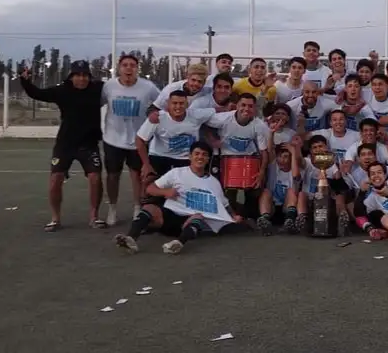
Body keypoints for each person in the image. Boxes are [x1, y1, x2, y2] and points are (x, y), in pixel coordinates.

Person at [113, 141, 242, 255]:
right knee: (149, 208)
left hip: (189, 221)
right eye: (197, 154)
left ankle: (178, 243)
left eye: (204, 155)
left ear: (208, 159)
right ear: (190, 156)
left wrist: (233, 216)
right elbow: (150, 189)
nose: (200, 157)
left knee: (198, 217)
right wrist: (165, 192)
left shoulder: (214, 182)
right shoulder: (177, 173)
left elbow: (224, 204)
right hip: (169, 215)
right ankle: (131, 239)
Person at [19, 60, 104, 231]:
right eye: (78, 75)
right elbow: (37, 93)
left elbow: (118, 89)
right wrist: (25, 81)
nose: (82, 79)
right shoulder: (62, 91)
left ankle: (94, 217)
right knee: (55, 179)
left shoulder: (98, 89)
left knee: (95, 178)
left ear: (89, 77)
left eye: (85, 75)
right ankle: (55, 219)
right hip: (65, 144)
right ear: (71, 77)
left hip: (88, 144)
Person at [102, 54, 161, 226]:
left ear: (137, 69)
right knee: (112, 175)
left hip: (138, 140)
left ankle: (137, 207)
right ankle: (112, 209)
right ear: (119, 68)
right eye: (125, 65)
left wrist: (153, 113)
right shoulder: (109, 86)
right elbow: (97, 103)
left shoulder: (148, 87)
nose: (129, 68)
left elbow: (160, 103)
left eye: (132, 65)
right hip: (112, 139)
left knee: (137, 175)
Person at [205, 93, 269, 224]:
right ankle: (231, 219)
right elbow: (204, 123)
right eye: (243, 105)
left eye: (250, 106)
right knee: (227, 192)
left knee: (254, 189)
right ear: (237, 106)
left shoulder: (259, 125)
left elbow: (264, 152)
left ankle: (251, 218)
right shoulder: (223, 118)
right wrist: (212, 140)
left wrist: (262, 172)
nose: (246, 109)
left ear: (255, 108)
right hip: (226, 159)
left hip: (249, 159)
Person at [135, 90, 216, 184]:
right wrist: (146, 164)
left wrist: (229, 107)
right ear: (168, 104)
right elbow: (139, 140)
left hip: (185, 158)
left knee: (187, 186)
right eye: (174, 103)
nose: (178, 106)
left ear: (187, 104)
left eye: (181, 103)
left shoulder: (196, 115)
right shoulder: (157, 117)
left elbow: (216, 110)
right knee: (149, 182)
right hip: (160, 156)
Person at [258, 142, 301, 234]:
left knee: (291, 191)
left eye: (285, 157)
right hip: (272, 208)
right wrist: (272, 134)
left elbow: (295, 175)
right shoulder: (273, 167)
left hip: (287, 209)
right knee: (266, 192)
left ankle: (290, 221)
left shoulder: (295, 170)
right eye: (279, 156)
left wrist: (293, 152)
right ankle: (265, 220)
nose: (282, 160)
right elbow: (269, 150)